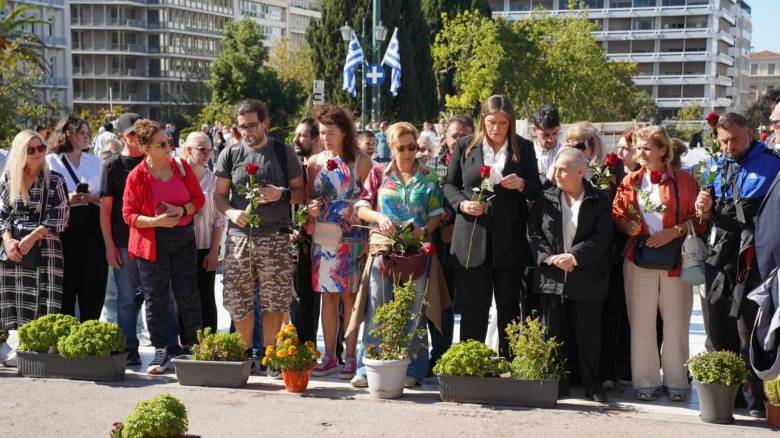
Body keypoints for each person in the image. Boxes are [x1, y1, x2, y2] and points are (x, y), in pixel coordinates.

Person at [443, 95, 541, 359]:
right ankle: (470, 364)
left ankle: (510, 364)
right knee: (474, 307)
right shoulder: (465, 146)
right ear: (482, 121)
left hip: (509, 241)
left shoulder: (524, 148)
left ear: (511, 122)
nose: (496, 128)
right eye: (491, 122)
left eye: (502, 123)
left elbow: (537, 189)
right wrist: (462, 205)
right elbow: (449, 186)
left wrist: (521, 184)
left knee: (509, 308)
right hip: (473, 237)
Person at [696, 112, 780, 417]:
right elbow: (708, 213)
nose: (729, 146)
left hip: (754, 253)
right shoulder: (715, 165)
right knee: (716, 320)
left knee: (751, 324)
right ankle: (728, 391)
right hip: (720, 253)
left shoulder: (772, 162)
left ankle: (758, 395)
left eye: (735, 140)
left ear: (750, 134)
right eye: (724, 141)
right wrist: (703, 209)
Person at [613, 126, 705, 403]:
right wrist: (625, 225)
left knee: (676, 323)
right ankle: (645, 382)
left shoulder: (685, 181)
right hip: (638, 260)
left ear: (663, 150)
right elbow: (617, 214)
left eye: (646, 148)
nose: (640, 154)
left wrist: (673, 231)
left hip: (675, 261)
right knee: (640, 323)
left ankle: (677, 382)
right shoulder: (629, 182)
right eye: (637, 148)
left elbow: (700, 220)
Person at [350, 121, 445, 387]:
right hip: (384, 248)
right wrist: (380, 218)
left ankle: (413, 370)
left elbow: (437, 214)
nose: (407, 152)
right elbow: (361, 208)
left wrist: (424, 229)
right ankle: (368, 367)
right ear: (391, 147)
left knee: (415, 308)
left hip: (417, 250)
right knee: (377, 305)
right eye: (401, 147)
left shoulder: (428, 175)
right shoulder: (379, 172)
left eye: (412, 146)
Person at [214, 99, 305, 372]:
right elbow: (219, 195)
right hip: (239, 237)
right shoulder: (230, 154)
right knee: (237, 299)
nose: (247, 131)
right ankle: (244, 356)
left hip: (275, 237)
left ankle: (271, 357)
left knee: (275, 300)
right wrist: (230, 212)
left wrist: (281, 194)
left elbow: (300, 192)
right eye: (242, 127)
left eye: (253, 125)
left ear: (265, 123)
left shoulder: (281, 151)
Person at [528, 148, 612, 402]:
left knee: (588, 334)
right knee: (554, 331)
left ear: (580, 172)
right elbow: (533, 230)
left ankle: (591, 384)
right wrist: (550, 258)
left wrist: (574, 256)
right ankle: (558, 382)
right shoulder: (546, 196)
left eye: (563, 169)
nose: (557, 174)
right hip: (552, 277)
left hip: (587, 276)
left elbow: (602, 237)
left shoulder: (598, 199)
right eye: (555, 168)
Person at [123, 119, 205, 374]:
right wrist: (156, 221)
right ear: (146, 147)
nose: (169, 147)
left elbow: (198, 199)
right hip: (152, 241)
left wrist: (180, 211)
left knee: (187, 293)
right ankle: (161, 351)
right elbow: (128, 215)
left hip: (183, 237)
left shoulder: (180, 168)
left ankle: (194, 346)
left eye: (169, 141)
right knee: (155, 298)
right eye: (161, 144)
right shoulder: (137, 176)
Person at [306, 106, 372, 379]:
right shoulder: (315, 162)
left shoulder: (361, 161)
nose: (325, 138)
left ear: (345, 132)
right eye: (322, 133)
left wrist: (370, 235)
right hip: (325, 235)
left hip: (354, 232)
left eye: (331, 132)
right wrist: (309, 209)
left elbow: (372, 199)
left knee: (351, 296)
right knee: (328, 297)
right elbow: (310, 194)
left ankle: (351, 357)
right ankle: (329, 356)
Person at [0, 130, 69, 367]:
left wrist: (34, 236)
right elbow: (2, 215)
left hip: (47, 248)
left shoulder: (55, 180)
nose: (39, 153)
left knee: (44, 298)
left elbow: (61, 216)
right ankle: (17, 345)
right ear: (20, 153)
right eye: (31, 150)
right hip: (15, 250)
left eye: (41, 148)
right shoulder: (9, 179)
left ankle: (40, 347)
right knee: (14, 298)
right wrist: (8, 240)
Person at [47, 116, 108, 322]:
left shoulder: (95, 161)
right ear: (68, 134)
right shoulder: (50, 161)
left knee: (93, 282)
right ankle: (64, 337)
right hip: (63, 227)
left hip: (92, 226)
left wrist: (92, 197)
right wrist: (66, 199)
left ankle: (90, 331)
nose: (86, 136)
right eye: (81, 132)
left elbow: (105, 195)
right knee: (66, 285)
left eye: (87, 132)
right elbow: (43, 198)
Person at [600, 127, 637, 390]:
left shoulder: (650, 177)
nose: (620, 152)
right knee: (614, 311)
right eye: (620, 147)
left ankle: (632, 367)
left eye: (626, 148)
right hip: (616, 249)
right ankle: (612, 368)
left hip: (645, 252)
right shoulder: (612, 174)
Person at [180, 132, 225, 332]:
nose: (207, 154)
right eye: (202, 149)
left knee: (206, 295)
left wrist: (214, 251)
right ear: (189, 150)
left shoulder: (214, 180)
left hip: (205, 246)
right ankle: (185, 340)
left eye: (210, 150)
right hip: (179, 246)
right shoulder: (176, 177)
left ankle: (209, 340)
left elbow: (219, 219)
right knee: (182, 295)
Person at [291, 118, 323, 345]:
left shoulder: (322, 168)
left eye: (302, 135)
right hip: (299, 238)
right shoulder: (296, 166)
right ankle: (304, 346)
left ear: (316, 139)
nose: (296, 139)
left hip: (323, 237)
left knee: (327, 298)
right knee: (301, 297)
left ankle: (334, 350)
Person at [531, 105, 562, 178]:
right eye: (546, 135)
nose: (551, 139)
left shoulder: (566, 153)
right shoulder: (526, 153)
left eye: (555, 133)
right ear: (535, 130)